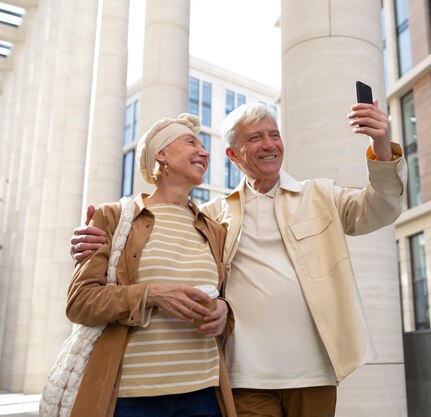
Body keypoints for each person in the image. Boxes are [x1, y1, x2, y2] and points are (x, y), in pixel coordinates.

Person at [72, 100, 407, 417]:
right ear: (233, 154)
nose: (269, 144)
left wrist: (381, 145)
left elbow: (379, 210)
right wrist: (92, 240)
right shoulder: (213, 216)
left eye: (274, 135)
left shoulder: (321, 195)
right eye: (256, 137)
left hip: (314, 371)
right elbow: (157, 234)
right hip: (243, 377)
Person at [66, 114, 236, 417]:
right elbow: (80, 302)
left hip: (203, 396)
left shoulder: (215, 229)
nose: (205, 151)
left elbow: (223, 296)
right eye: (191, 142)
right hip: (131, 398)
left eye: (204, 145)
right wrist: (152, 294)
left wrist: (224, 312)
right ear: (162, 154)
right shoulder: (114, 217)